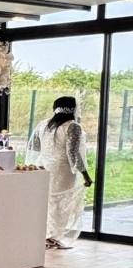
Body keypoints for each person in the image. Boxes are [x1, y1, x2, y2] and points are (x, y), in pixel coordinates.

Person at [28, 96, 92, 249]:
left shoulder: (43, 125)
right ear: (73, 109)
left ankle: (46, 235)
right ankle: (52, 237)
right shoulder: (72, 127)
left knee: (48, 202)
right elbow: (73, 153)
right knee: (60, 203)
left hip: (44, 166)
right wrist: (85, 175)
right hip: (62, 170)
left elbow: (34, 147)